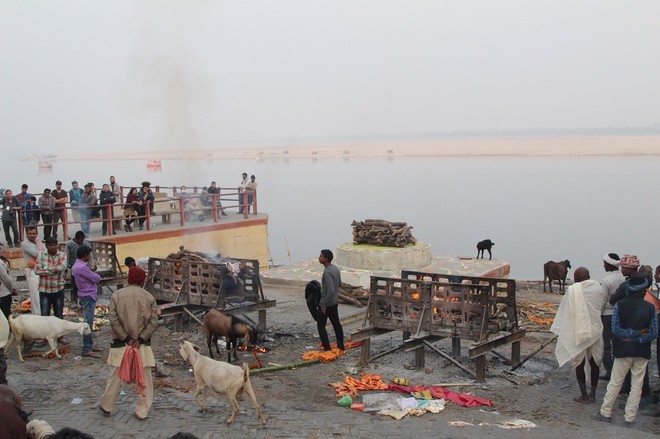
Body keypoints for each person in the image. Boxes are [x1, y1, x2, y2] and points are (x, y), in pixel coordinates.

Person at [596, 274, 658, 425]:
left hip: (623, 350)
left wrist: (630, 336)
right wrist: (639, 337)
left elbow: (615, 329)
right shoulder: (650, 308)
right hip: (642, 351)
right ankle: (629, 418)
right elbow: (654, 332)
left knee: (615, 382)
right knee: (637, 385)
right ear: (644, 291)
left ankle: (605, 413)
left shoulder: (620, 305)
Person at [100, 266, 158, 420]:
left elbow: (113, 320)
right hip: (142, 345)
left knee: (115, 376)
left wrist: (126, 338)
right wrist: (139, 340)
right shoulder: (149, 297)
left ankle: (107, 405)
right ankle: (142, 410)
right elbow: (153, 322)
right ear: (142, 280)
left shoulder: (116, 296)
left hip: (121, 344)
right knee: (145, 378)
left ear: (129, 278)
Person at [550, 267, 604, 403]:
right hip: (596, 330)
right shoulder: (598, 288)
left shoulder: (573, 290)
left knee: (579, 363)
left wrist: (563, 328)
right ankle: (593, 393)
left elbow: (566, 311)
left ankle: (584, 395)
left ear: (578, 278)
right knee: (595, 362)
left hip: (578, 331)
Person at [35, 237, 69, 344]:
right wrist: (52, 270)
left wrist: (46, 269)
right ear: (46, 246)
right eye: (50, 245)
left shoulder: (62, 255)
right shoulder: (41, 256)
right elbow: (37, 271)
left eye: (54, 245)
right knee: (44, 315)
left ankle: (60, 336)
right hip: (44, 290)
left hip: (58, 289)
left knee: (59, 314)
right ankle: (45, 337)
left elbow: (61, 267)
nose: (52, 247)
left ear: (57, 245)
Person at [72, 246, 102, 358]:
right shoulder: (82, 268)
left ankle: (89, 345)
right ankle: (87, 348)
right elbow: (96, 278)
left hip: (85, 294)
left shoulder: (77, 265)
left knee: (88, 321)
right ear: (85, 255)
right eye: (88, 254)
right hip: (88, 294)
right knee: (87, 323)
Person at [599, 253, 624, 380]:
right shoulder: (624, 278)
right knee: (618, 343)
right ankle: (619, 371)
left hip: (607, 315)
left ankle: (609, 371)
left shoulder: (607, 280)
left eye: (605, 263)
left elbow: (603, 300)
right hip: (621, 314)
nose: (603, 265)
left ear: (609, 264)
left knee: (606, 344)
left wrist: (598, 314)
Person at [316, 249, 345, 351]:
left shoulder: (327, 272)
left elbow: (330, 290)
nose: (319, 257)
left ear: (326, 259)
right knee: (336, 323)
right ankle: (341, 346)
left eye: (321, 256)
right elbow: (339, 284)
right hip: (334, 302)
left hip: (327, 303)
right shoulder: (336, 269)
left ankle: (327, 349)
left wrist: (323, 304)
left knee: (321, 325)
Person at [21, 227, 44, 316]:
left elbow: (44, 251)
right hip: (31, 270)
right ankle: (37, 315)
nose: (32, 235)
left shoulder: (38, 241)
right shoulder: (25, 244)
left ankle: (42, 314)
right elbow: (36, 254)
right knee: (35, 295)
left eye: (34, 233)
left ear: (37, 233)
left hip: (40, 270)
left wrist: (42, 252)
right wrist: (42, 252)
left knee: (41, 294)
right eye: (30, 234)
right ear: (27, 234)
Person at [67, 231, 94, 305]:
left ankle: (83, 303)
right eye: (80, 240)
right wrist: (66, 268)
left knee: (84, 286)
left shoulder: (86, 244)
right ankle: (74, 302)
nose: (81, 241)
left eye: (82, 240)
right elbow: (67, 256)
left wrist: (91, 268)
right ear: (76, 239)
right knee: (75, 286)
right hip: (74, 269)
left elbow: (91, 257)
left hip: (84, 269)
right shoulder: (69, 245)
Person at [0, 247, 17, 319]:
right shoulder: (0, 264)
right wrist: (10, 290)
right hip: (3, 294)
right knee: (5, 316)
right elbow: (7, 280)